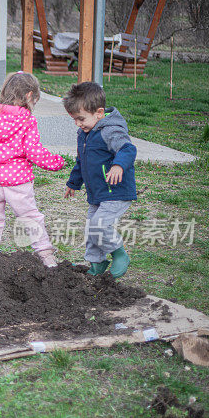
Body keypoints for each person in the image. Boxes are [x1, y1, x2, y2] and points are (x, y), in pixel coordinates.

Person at [0, 71, 65, 267]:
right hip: (18, 182)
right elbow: (33, 151)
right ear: (29, 96)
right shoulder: (26, 120)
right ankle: (46, 255)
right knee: (30, 218)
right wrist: (56, 162)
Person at [63, 81, 137, 278]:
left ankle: (119, 253)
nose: (78, 124)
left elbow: (127, 149)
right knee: (92, 229)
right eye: (75, 120)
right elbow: (82, 161)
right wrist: (73, 183)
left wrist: (118, 165)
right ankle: (97, 264)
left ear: (99, 112)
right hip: (98, 193)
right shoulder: (85, 133)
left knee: (99, 226)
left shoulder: (110, 130)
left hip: (116, 191)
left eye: (81, 119)